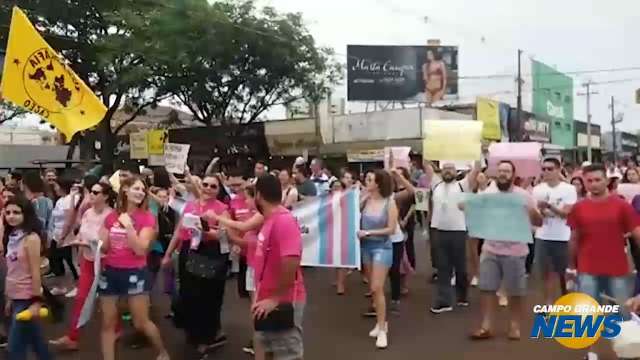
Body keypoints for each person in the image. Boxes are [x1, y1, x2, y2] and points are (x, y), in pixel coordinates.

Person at [566, 164, 640, 360]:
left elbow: (637, 234)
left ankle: (626, 351)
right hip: (587, 267)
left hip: (617, 268)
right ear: (584, 183)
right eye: (589, 181)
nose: (594, 184)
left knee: (622, 312)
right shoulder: (579, 207)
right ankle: (591, 352)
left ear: (606, 181)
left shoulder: (621, 205)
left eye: (598, 180)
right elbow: (574, 238)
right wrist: (571, 267)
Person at [467, 161, 542, 341]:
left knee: (515, 292)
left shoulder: (524, 195)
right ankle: (486, 326)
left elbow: (538, 222)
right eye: (500, 171)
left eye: (506, 171)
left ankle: (514, 325)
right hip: (490, 249)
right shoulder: (489, 194)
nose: (502, 174)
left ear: (513, 175)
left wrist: (532, 211)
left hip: (516, 251)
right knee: (486, 289)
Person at [98, 176, 170, 360]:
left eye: (142, 190)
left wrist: (129, 226)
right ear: (125, 191)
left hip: (135, 272)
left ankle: (162, 352)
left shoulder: (147, 218)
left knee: (140, 322)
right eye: (136, 188)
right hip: (110, 272)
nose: (140, 192)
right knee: (108, 322)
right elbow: (105, 247)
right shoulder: (111, 216)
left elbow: (140, 249)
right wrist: (94, 241)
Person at [162, 174, 230, 356]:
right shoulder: (190, 206)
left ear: (218, 190)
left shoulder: (221, 209)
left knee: (207, 298)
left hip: (210, 255)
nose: (208, 188)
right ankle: (193, 333)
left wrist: (207, 232)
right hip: (188, 251)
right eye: (205, 184)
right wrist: (168, 254)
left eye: (213, 186)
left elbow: (225, 236)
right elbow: (178, 231)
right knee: (187, 294)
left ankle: (206, 338)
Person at [49, 182, 115, 351]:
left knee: (109, 302)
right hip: (88, 261)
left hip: (106, 263)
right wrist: (77, 243)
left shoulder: (111, 216)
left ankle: (117, 329)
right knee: (81, 299)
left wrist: (84, 243)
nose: (90, 195)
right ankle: (73, 337)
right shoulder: (87, 213)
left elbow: (107, 244)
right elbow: (81, 232)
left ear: (106, 196)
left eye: (95, 192)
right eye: (90, 191)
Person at [251, 174, 306, 360]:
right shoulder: (269, 220)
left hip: (283, 302)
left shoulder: (283, 221)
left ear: (258, 195)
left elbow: (291, 260)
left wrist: (276, 298)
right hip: (266, 300)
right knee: (267, 350)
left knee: (286, 354)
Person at [3, 196, 53, 360]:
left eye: (16, 212)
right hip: (15, 297)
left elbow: (35, 271)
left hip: (27, 298)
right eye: (8, 212)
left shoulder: (31, 238)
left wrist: (37, 301)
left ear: (26, 214)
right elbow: (12, 271)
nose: (11, 216)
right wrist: (9, 298)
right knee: (37, 343)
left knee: (15, 347)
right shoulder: (11, 237)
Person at [429, 161, 480, 314]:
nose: (447, 171)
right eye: (445, 169)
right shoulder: (436, 184)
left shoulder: (462, 185)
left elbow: (476, 169)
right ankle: (444, 301)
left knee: (460, 267)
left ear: (456, 171)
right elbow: (427, 165)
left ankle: (462, 296)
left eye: (450, 169)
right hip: (438, 230)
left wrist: (477, 152)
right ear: (441, 171)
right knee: (443, 267)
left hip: (458, 231)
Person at [359, 170, 399, 349]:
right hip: (365, 247)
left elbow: (391, 229)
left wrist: (368, 232)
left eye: (370, 180)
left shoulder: (390, 203)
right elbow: (351, 215)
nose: (366, 182)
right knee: (372, 289)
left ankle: (383, 329)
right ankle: (380, 322)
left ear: (378, 183)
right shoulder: (366, 200)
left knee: (377, 286)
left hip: (382, 247)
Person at [532, 158, 577, 308]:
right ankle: (548, 303)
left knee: (564, 273)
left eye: (550, 169)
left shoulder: (568, 189)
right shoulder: (537, 189)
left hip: (563, 236)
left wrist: (549, 207)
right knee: (545, 273)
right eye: (544, 169)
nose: (546, 172)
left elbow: (566, 214)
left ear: (558, 170)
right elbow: (535, 215)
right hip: (542, 236)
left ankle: (567, 301)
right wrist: (539, 213)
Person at [389, 168, 416, 312]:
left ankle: (395, 297)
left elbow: (412, 192)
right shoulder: (369, 197)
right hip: (378, 238)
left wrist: (398, 175)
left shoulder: (393, 197)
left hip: (396, 235)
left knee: (395, 267)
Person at [48, 177, 80, 296]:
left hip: (66, 235)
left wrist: (63, 236)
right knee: (56, 260)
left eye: (56, 186)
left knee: (70, 262)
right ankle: (61, 286)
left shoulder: (70, 200)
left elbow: (69, 220)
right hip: (57, 234)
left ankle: (75, 286)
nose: (55, 188)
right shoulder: (60, 200)